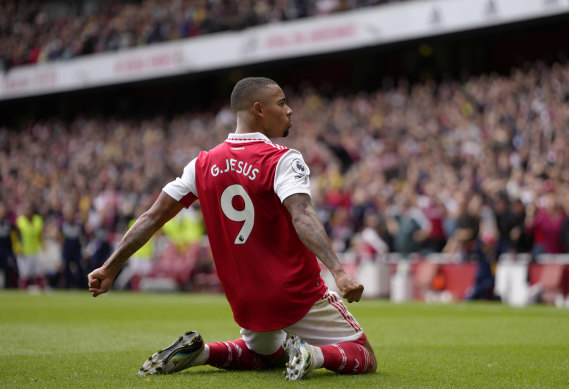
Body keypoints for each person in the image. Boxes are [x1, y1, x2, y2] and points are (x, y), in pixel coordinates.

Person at [88, 77, 377, 380]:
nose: (289, 110)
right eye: (281, 103)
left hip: (245, 300)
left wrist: (109, 268)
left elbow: (151, 217)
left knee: (266, 355)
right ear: (259, 110)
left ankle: (202, 352)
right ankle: (312, 353)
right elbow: (302, 213)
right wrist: (339, 272)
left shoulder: (201, 165)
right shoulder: (281, 159)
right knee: (365, 356)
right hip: (296, 293)